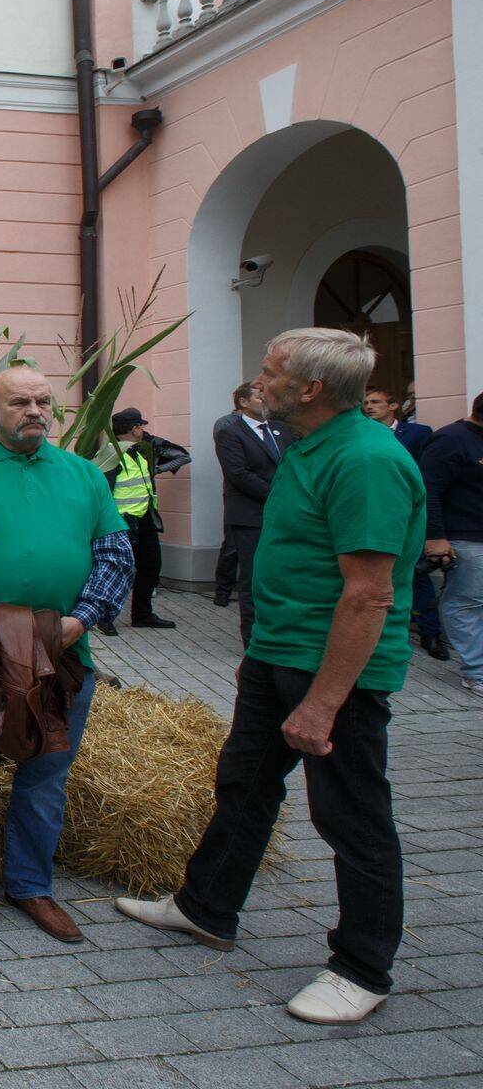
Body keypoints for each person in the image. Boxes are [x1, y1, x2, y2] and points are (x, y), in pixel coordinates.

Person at [118, 329, 425, 1026]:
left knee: (352, 817)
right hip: (276, 657)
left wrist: (323, 704)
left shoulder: (367, 461)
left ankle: (361, 967)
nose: (260, 382)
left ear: (310, 389)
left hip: (331, 675)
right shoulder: (310, 446)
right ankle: (206, 907)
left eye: (271, 371)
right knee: (245, 784)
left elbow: (368, 594)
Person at [0, 365, 133, 945]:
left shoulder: (85, 476)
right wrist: (2, 631)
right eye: (20, 402)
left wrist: (77, 622)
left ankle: (31, 886)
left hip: (66, 652)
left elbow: (116, 556)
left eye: (43, 401)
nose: (35, 411)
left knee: (45, 775)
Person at [365, 385, 447, 661]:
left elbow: (426, 472)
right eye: (366, 402)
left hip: (408, 511)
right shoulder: (362, 432)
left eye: (376, 401)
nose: (369, 406)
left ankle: (430, 632)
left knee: (415, 573)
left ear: (393, 405)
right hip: (374, 511)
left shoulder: (417, 433)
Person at [212, 381, 293, 647]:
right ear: (244, 402)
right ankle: (254, 639)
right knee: (253, 577)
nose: (266, 399)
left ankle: (280, 632)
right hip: (250, 517)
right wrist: (278, 496)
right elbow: (238, 474)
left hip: (283, 516)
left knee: (281, 575)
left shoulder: (283, 429)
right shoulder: (231, 433)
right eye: (260, 395)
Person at [420, 390, 483, 695]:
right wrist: (435, 538)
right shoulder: (450, 439)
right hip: (465, 536)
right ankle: (476, 672)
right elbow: (427, 490)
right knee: (466, 602)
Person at [104, 408, 177, 631]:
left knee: (151, 566)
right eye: (140, 426)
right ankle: (103, 617)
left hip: (144, 518)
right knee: (117, 570)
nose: (143, 430)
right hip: (122, 521)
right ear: (134, 429)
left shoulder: (138, 452)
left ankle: (142, 614)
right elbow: (104, 490)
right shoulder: (112, 455)